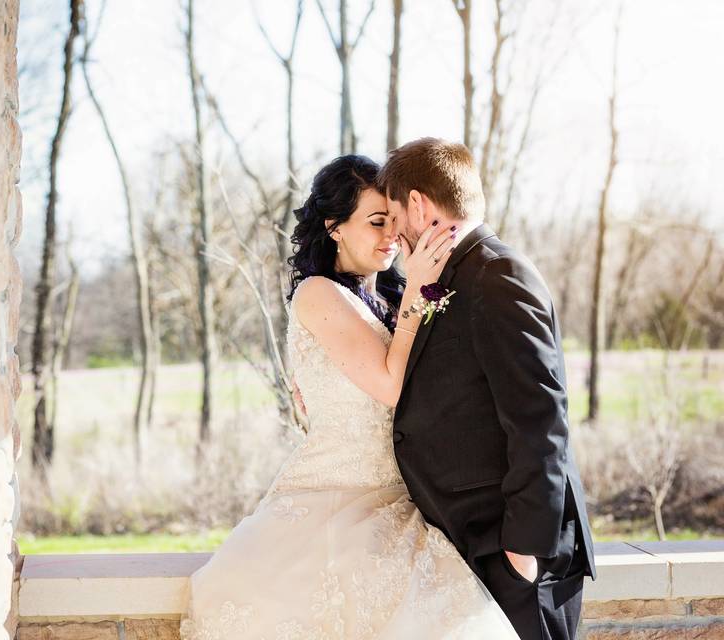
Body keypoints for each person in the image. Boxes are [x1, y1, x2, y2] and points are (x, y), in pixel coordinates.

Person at [179, 154, 519, 640]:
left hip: (407, 497)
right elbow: (388, 384)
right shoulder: (318, 293)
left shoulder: (391, 297)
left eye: (395, 222)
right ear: (334, 226)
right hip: (337, 498)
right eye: (376, 221)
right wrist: (419, 296)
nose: (391, 236)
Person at [380, 137, 596, 640]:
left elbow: (540, 420)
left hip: (514, 550)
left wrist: (522, 551)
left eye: (393, 215)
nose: (394, 233)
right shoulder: (449, 276)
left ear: (418, 204)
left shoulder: (498, 274)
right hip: (475, 542)